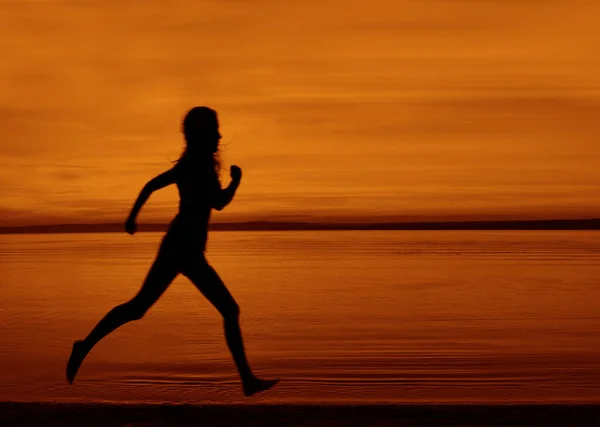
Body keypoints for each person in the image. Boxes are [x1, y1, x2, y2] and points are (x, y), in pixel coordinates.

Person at [66, 106, 278, 397]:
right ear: (203, 134)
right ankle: (247, 381)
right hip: (183, 247)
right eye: (214, 130)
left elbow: (205, 200)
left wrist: (132, 217)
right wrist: (132, 217)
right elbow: (192, 195)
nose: (219, 135)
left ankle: (85, 345)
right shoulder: (195, 164)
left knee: (138, 307)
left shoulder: (198, 164)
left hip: (182, 247)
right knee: (227, 309)